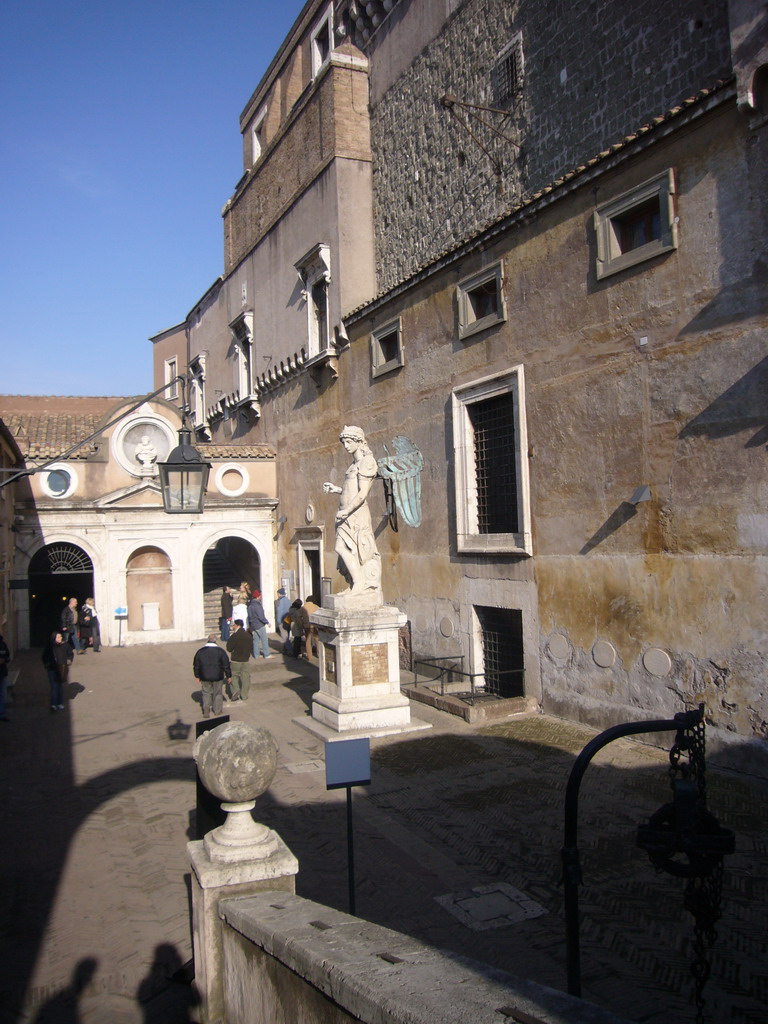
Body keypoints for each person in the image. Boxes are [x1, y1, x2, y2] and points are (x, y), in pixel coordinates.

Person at [323, 425, 382, 596]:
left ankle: (360, 584)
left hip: (356, 514)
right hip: (345, 514)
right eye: (344, 443)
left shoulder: (367, 462)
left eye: (349, 442)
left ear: (358, 441)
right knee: (344, 550)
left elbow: (363, 494)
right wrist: (336, 490)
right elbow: (351, 490)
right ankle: (355, 584)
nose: (346, 446)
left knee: (346, 548)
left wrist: (347, 510)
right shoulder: (354, 464)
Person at [193, 634, 232, 719]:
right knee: (217, 693)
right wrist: (229, 676)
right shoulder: (221, 651)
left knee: (206, 693)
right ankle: (217, 711)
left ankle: (206, 709)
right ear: (215, 640)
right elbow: (226, 665)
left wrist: (197, 676)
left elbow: (196, 665)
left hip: (204, 676)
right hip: (218, 676)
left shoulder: (200, 652)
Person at [42, 631, 73, 711]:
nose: (61, 638)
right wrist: (47, 664)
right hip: (52, 669)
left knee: (59, 686)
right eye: (58, 637)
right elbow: (44, 656)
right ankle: (53, 704)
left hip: (61, 668)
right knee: (54, 686)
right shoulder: (50, 647)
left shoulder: (65, 645)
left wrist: (69, 660)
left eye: (61, 637)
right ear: (54, 638)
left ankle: (59, 703)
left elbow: (70, 653)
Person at [226, 619, 252, 701]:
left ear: (237, 625)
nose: (233, 626)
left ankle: (235, 692)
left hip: (235, 660)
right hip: (246, 660)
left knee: (234, 676)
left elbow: (229, 648)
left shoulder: (234, 636)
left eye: (234, 625)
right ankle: (244, 695)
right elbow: (251, 647)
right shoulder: (248, 635)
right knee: (246, 678)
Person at [247, 590, 272, 659]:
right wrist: (267, 622)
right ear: (258, 597)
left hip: (254, 625)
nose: (261, 597)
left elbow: (249, 616)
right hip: (259, 624)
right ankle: (267, 654)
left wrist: (251, 626)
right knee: (264, 640)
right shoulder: (257, 605)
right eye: (260, 595)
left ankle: (256, 655)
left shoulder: (250, 605)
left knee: (256, 640)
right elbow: (261, 616)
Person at [302, 594, 320, 659]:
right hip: (314, 625)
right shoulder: (316, 606)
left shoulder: (303, 607)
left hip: (306, 625)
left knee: (308, 640)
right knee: (317, 639)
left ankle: (309, 656)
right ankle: (319, 654)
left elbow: (300, 617)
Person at [0, 633, 10, 722]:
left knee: (3, 695)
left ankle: (2, 714)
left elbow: (7, 656)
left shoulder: (2, 644)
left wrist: (4, 659)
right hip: (2, 672)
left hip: (2, 673)